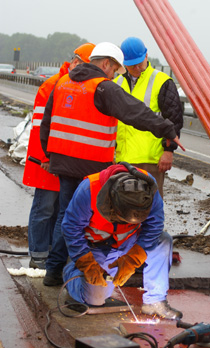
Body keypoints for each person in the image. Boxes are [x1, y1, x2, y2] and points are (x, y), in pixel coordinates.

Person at [40, 41, 185, 286]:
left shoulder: (62, 83)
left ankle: (54, 270)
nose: (116, 74)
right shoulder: (102, 87)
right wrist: (167, 130)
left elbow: (47, 122)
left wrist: (48, 153)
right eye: (115, 69)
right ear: (106, 63)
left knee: (68, 215)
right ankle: (87, 268)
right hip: (92, 163)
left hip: (63, 161)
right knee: (92, 218)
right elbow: (135, 112)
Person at [62, 162, 183, 320]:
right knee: (95, 299)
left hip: (129, 241)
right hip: (97, 247)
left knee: (163, 240)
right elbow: (71, 227)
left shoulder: (148, 188)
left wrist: (133, 258)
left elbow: (154, 225)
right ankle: (71, 272)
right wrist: (86, 262)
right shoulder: (89, 189)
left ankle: (155, 300)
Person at [23, 43, 95, 269]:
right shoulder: (52, 86)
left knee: (58, 211)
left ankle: (53, 255)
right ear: (75, 63)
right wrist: (45, 158)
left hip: (65, 161)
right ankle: (38, 255)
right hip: (47, 160)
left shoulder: (81, 87)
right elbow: (38, 127)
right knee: (44, 208)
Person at [114, 37, 183, 197]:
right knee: (124, 208)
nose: (137, 68)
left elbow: (174, 120)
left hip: (150, 160)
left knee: (150, 209)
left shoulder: (162, 81)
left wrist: (168, 151)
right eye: (132, 65)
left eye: (140, 63)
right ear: (124, 63)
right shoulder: (117, 83)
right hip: (123, 158)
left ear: (146, 56)